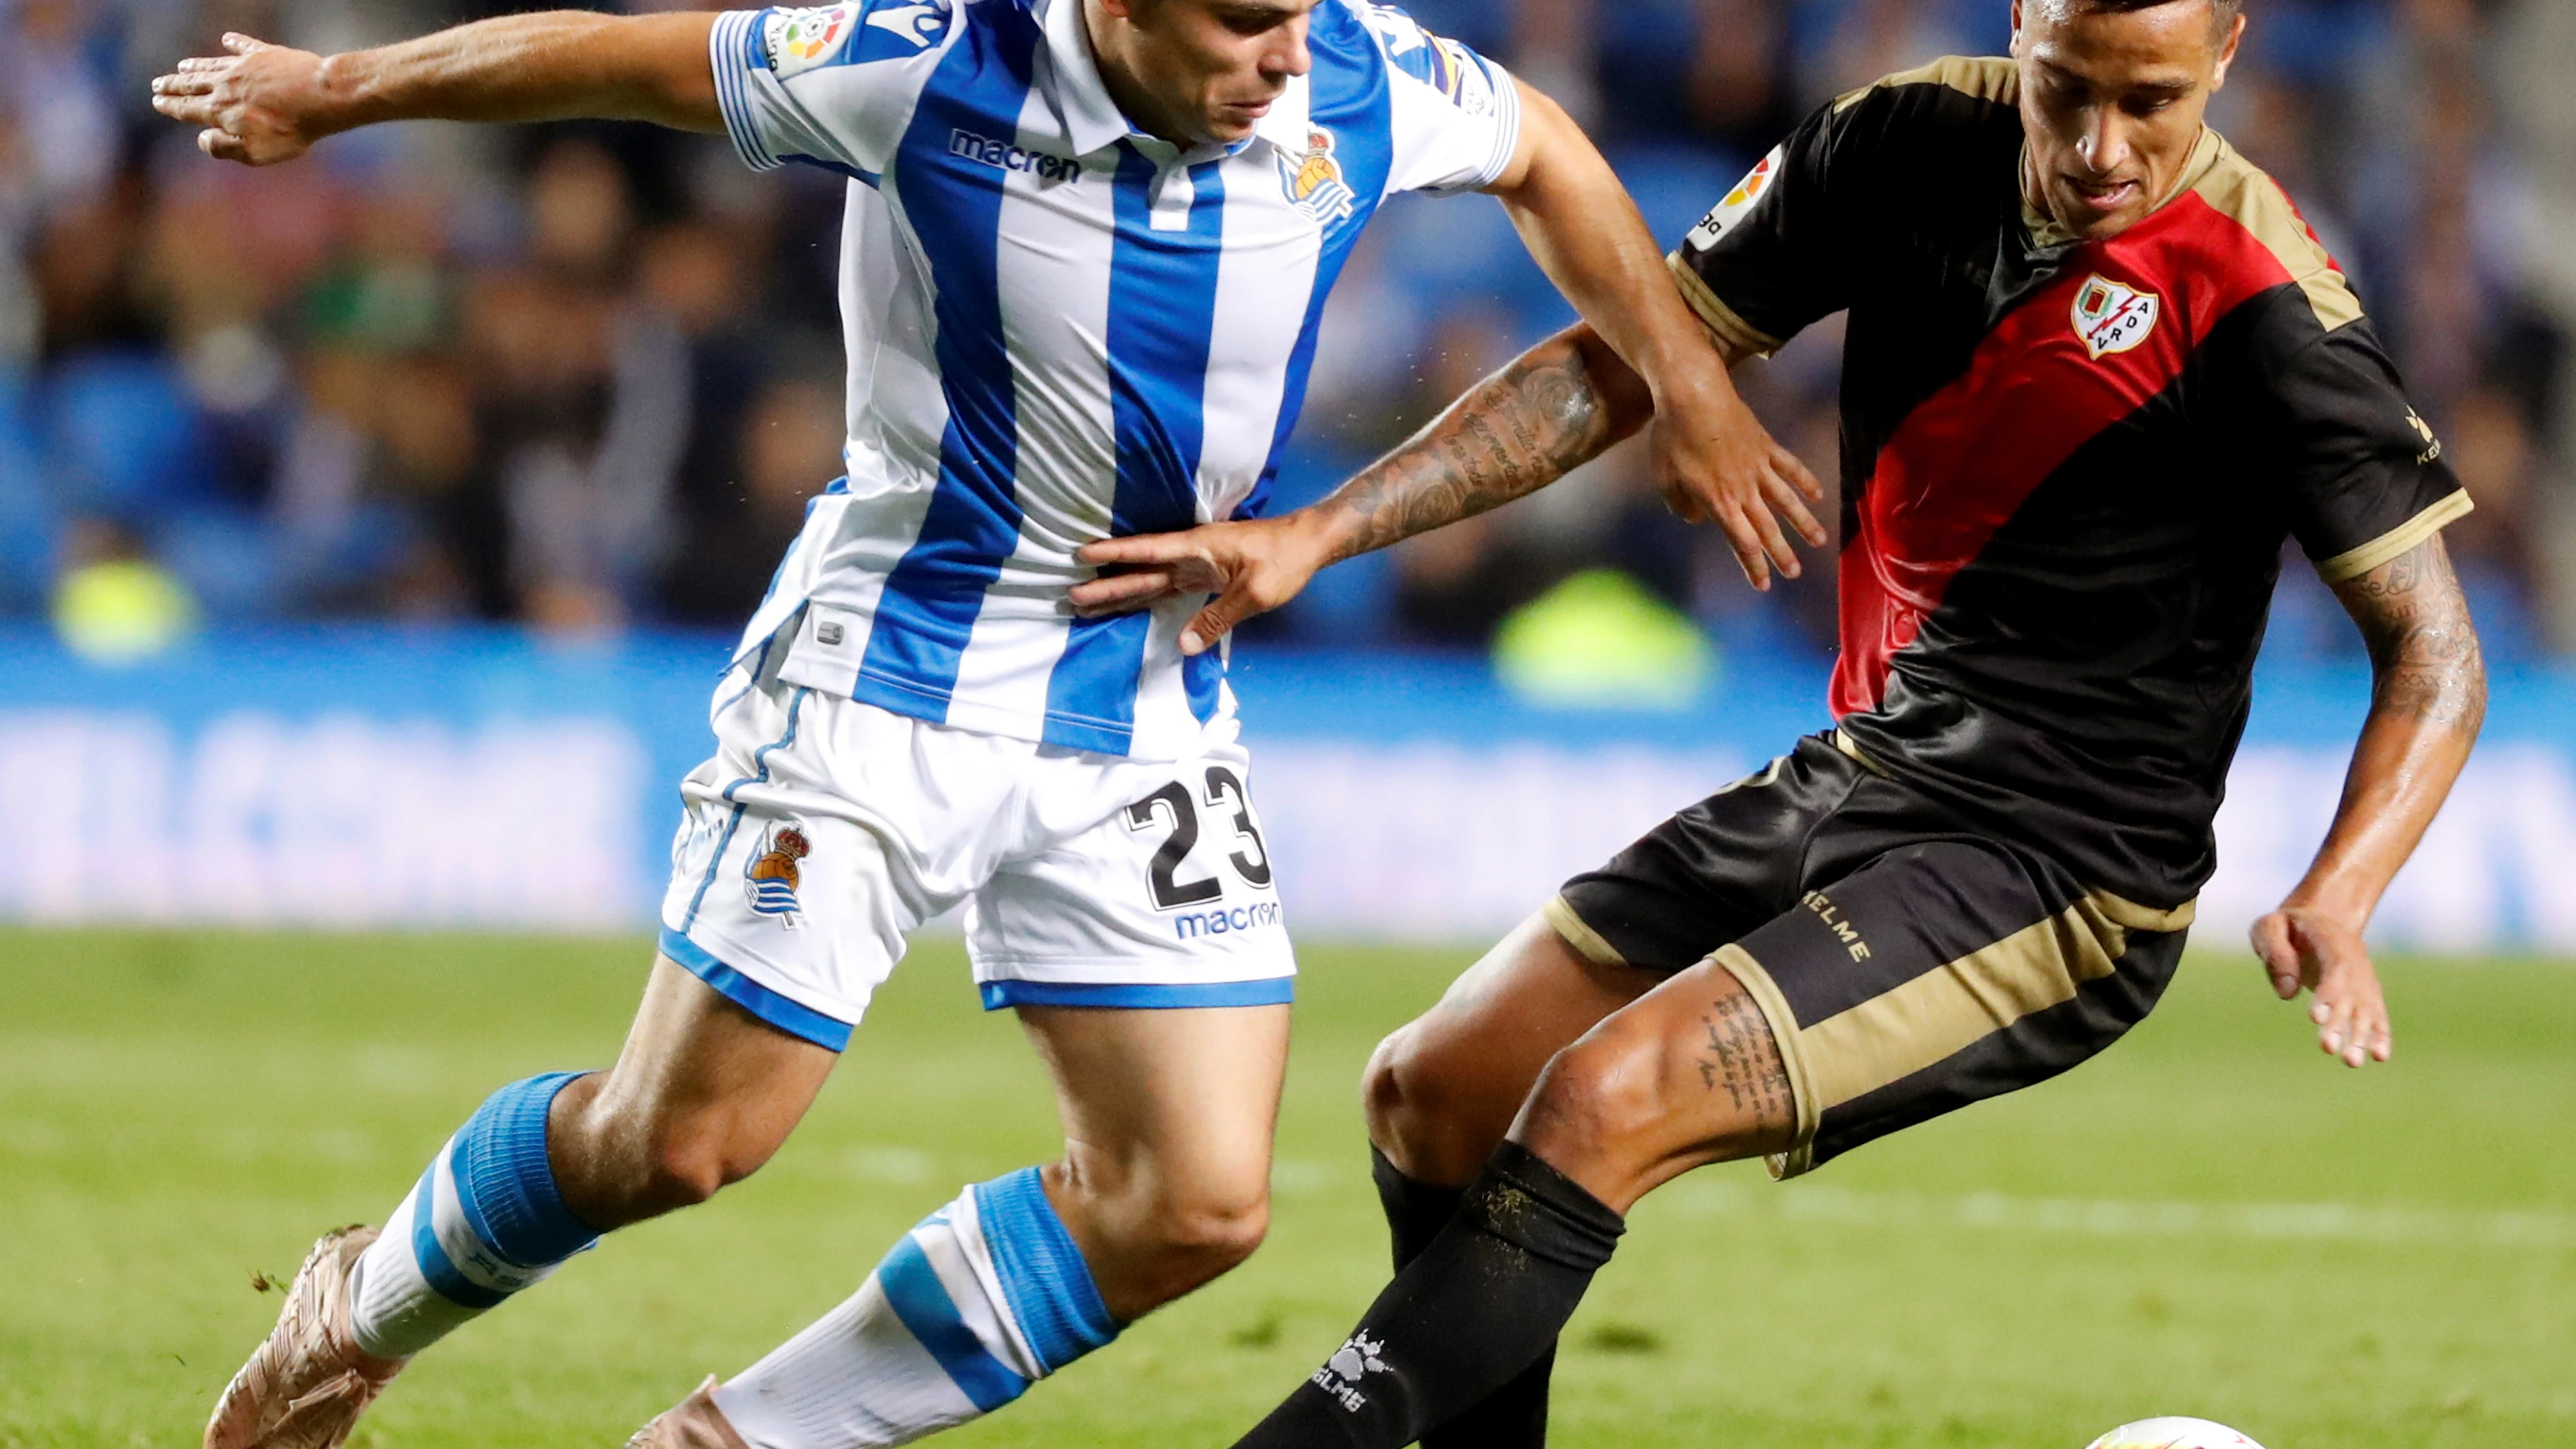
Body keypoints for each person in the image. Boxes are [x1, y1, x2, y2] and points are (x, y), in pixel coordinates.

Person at [148, 2, 1821, 1446]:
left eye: (1297, 20)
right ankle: (355, 1309)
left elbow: (1543, 150)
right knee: (679, 1141)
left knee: (1194, 1198)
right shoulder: (923, 61)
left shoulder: (1353, 76)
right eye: (1242, 26)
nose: (1281, 62)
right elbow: (614, 59)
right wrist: (337, 91)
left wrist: (1685, 383)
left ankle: (738, 1434)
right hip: (893, 670)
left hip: (1151, 687)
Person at [1072, 1, 2488, 1444]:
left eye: (2153, 102)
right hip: (1865, 769)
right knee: (1435, 1090)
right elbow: (1625, 361)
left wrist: (2342, 889)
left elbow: (2435, 653)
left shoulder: (2269, 306)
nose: (2099, 148)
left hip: (2057, 862)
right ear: (2023, 28)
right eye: (2067, 91)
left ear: (2233, 51)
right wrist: (1323, 530)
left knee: (1598, 1099)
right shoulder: (1907, 139)